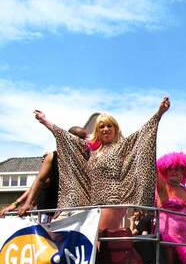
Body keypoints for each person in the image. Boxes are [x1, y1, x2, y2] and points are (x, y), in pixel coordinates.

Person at [33, 97, 169, 232]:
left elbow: (144, 133)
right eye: (101, 126)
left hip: (113, 201)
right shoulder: (91, 152)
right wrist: (45, 121)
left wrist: (159, 113)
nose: (105, 129)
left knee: (99, 236)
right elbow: (66, 137)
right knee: (94, 242)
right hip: (93, 203)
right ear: (97, 131)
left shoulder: (122, 146)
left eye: (109, 126)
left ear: (115, 129)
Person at [0, 127, 88, 222]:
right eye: (81, 138)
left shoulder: (86, 159)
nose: (84, 141)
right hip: (51, 213)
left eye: (84, 138)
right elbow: (39, 181)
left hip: (75, 211)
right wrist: (20, 203)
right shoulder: (53, 158)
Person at [156, 151, 186, 264]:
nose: (173, 171)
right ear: (165, 171)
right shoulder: (163, 187)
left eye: (177, 169)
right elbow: (155, 175)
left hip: (183, 241)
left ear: (183, 173)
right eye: (170, 169)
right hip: (166, 238)